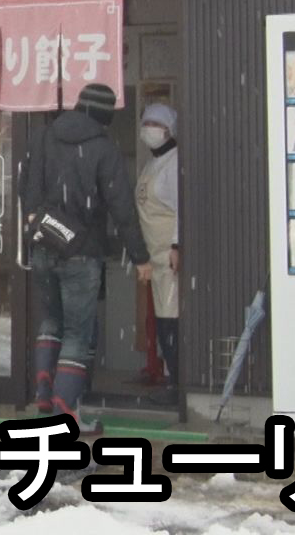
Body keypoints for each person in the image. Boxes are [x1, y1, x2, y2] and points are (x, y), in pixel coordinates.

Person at [20, 82, 152, 429]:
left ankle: (44, 395)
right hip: (82, 252)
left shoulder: (43, 137)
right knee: (78, 334)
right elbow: (122, 208)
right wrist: (140, 257)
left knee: (51, 322)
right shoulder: (104, 149)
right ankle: (65, 415)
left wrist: (37, 221)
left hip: (45, 245)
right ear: (105, 115)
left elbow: (26, 188)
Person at [134, 102, 182, 402]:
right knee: (163, 320)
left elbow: (181, 209)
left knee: (171, 320)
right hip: (155, 256)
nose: (149, 129)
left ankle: (178, 383)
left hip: (169, 256)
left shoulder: (175, 163)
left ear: (169, 129)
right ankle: (171, 378)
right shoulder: (153, 164)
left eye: (156, 124)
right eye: (146, 123)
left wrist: (177, 245)